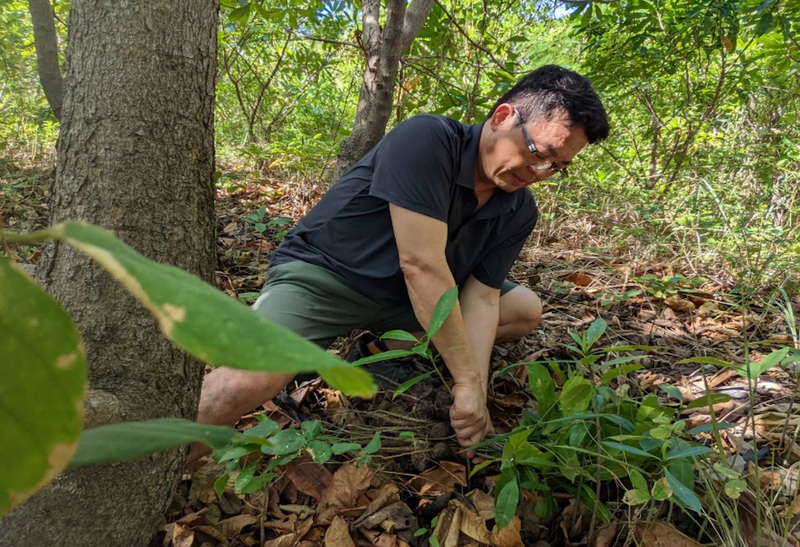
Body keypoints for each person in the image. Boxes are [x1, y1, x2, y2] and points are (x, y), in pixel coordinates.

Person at [197, 65, 609, 452]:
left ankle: (375, 355)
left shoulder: (518, 209)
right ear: (503, 117)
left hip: (408, 305)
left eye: (557, 166)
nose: (540, 172)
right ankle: (164, 464)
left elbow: (482, 298)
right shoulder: (429, 138)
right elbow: (421, 266)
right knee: (249, 379)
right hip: (327, 277)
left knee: (522, 308)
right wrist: (465, 380)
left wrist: (476, 392)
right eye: (539, 151)